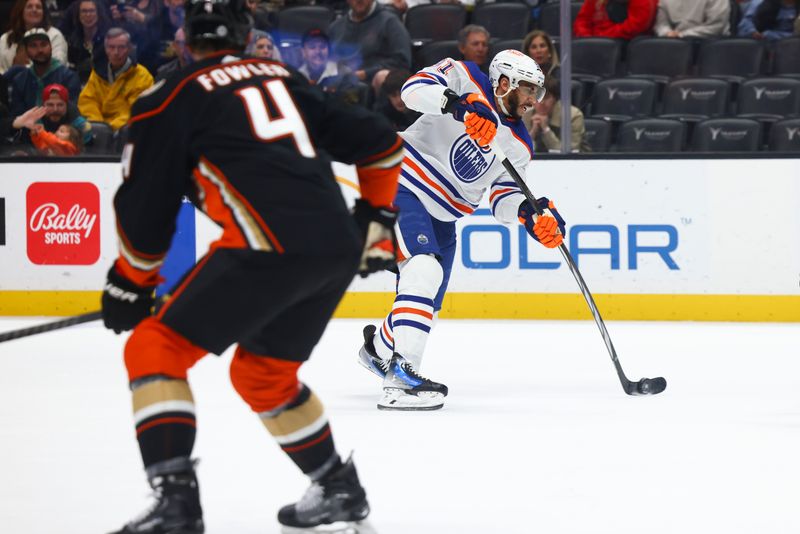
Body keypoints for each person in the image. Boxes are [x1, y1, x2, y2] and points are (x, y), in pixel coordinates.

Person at [100, 0, 404, 532]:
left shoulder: (167, 98)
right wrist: (376, 216)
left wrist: (131, 282)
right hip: (335, 245)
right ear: (244, 39)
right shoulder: (282, 77)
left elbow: (146, 207)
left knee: (155, 346)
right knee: (263, 374)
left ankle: (176, 505)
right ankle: (338, 487)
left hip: (266, 243)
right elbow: (380, 143)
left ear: (185, 42)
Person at [357, 50, 567, 411]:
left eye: (538, 92)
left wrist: (530, 215)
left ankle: (376, 351)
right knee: (423, 270)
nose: (535, 100)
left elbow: (502, 197)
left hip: (445, 216)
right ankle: (401, 381)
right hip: (401, 181)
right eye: (530, 90)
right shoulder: (462, 75)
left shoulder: (519, 144)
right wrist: (458, 106)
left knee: (428, 303)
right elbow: (412, 90)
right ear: (505, 83)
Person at [78, 28, 153, 131]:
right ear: (105, 49)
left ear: (129, 48)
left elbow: (136, 109)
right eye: (111, 47)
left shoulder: (142, 76)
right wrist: (98, 125)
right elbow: (87, 101)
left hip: (127, 130)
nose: (116, 52)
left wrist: (110, 128)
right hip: (98, 129)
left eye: (121, 47)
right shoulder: (97, 73)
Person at [328, 0, 411, 92]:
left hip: (372, 81)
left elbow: (402, 61)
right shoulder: (336, 27)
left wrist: (365, 73)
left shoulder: (390, 22)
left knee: (382, 77)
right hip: (341, 84)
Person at [8, 28, 79, 119]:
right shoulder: (19, 80)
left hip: (61, 129)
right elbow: (17, 115)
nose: (40, 50)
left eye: (44, 45)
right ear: (26, 51)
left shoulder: (68, 77)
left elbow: (73, 113)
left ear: (51, 47)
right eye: (33, 46)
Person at [524, 77, 590, 153]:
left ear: (555, 98)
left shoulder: (573, 115)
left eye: (547, 98)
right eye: (537, 98)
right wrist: (533, 132)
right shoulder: (526, 115)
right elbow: (520, 151)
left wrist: (546, 130)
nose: (542, 103)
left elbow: (570, 152)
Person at [0, 0, 68, 73]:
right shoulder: (6, 38)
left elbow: (59, 66)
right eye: (29, 7)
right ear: (21, 11)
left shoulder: (55, 35)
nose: (34, 10)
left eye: (38, 7)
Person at [298, 28, 362, 102]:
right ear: (303, 52)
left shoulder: (345, 74)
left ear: (329, 50)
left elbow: (351, 107)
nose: (318, 52)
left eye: (322, 47)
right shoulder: (297, 76)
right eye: (312, 47)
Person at [65, 0, 109, 84]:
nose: (88, 15)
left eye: (91, 11)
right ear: (78, 15)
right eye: (84, 11)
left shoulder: (108, 39)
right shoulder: (73, 41)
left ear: (98, 13)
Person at [574, 0, 658, 39]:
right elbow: (582, 21)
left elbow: (634, 28)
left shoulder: (645, 2)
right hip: (594, 45)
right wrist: (587, 39)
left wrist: (600, 37)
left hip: (628, 50)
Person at [654, 0, 730, 38]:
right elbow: (661, 24)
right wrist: (666, 33)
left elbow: (716, 26)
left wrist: (682, 35)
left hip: (709, 42)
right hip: (674, 43)